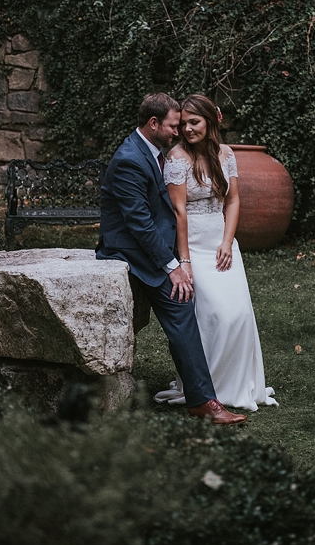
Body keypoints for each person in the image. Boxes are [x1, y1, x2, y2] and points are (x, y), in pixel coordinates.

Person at [97, 93, 246, 425]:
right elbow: (139, 224)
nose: (178, 132)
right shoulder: (130, 160)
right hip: (131, 251)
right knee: (181, 304)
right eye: (173, 126)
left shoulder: (151, 151)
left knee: (183, 307)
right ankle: (204, 401)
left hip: (156, 245)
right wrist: (174, 266)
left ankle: (202, 396)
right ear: (154, 124)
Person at [153, 93, 277, 411]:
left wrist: (227, 241)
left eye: (194, 122)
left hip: (222, 245)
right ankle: (206, 388)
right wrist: (185, 260)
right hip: (192, 247)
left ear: (210, 121)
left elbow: (233, 200)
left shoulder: (225, 153)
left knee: (239, 316)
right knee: (215, 317)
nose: (188, 129)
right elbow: (178, 212)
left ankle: (237, 383)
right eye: (183, 124)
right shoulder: (177, 158)